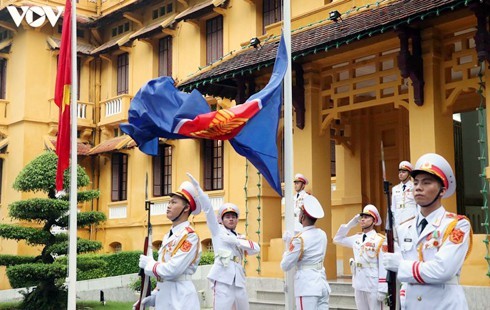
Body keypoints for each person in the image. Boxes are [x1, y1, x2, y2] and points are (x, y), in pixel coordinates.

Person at [383, 153, 473, 309]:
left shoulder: (456, 225)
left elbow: (442, 270)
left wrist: (401, 266)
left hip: (444, 305)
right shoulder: (404, 228)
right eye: (416, 182)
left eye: (426, 182)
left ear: (442, 191)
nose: (418, 187)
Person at [187, 173, 260, 310]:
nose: (231, 219)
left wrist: (236, 241)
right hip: (222, 278)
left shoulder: (239, 237)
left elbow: (256, 248)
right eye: (227, 217)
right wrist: (199, 191)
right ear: (222, 220)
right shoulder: (217, 231)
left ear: (237, 219)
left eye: (233, 216)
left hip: (238, 279)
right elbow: (208, 210)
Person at [137, 180, 202, 310]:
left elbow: (172, 270)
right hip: (165, 297)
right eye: (169, 202)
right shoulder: (168, 235)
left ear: (186, 208)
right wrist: (155, 296)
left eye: (173, 202)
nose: (168, 206)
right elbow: (164, 273)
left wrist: (150, 264)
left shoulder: (190, 236)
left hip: (180, 299)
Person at [333, 204, 388, 310]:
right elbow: (337, 239)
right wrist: (350, 224)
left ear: (374, 220)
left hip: (373, 284)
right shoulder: (356, 238)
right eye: (362, 217)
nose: (362, 220)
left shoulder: (380, 240)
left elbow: (383, 265)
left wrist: (382, 288)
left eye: (366, 217)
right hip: (358, 283)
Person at [280, 195, 331, 309]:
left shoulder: (299, 239)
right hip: (322, 284)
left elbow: (285, 265)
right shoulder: (322, 234)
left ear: (302, 217)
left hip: (307, 287)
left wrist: (289, 245)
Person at [391, 161, 417, 229]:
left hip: (411, 220)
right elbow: (393, 207)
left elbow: (419, 205)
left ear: (409, 174)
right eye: (399, 172)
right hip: (398, 221)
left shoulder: (414, 187)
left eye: (403, 172)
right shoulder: (395, 188)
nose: (400, 174)